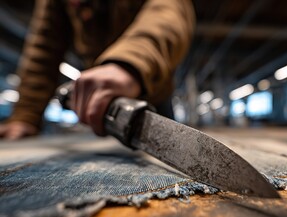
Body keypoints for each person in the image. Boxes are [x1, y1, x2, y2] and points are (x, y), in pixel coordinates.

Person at [0, 0, 195, 139]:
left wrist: (130, 64)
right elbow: (44, 49)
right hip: (101, 105)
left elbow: (170, 9)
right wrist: (25, 115)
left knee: (173, 158)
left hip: (151, 91)